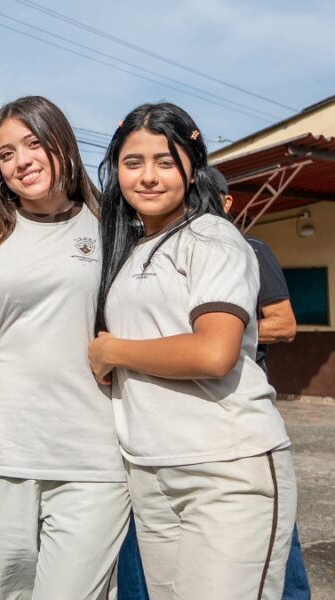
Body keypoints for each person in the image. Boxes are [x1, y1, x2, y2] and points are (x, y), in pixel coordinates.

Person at [89, 102, 296, 600]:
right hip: (152, 470)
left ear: (193, 165)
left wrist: (113, 350)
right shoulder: (129, 249)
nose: (149, 177)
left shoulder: (214, 237)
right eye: (133, 163)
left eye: (166, 160)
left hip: (227, 468)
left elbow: (213, 352)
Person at [0, 96, 128, 599]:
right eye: (6, 154)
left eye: (34, 143)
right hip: (6, 451)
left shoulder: (113, 228)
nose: (22, 162)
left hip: (93, 458)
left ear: (63, 144)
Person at [213, 167, 310, 600]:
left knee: (270, 524)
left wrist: (222, 335)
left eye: (207, 195)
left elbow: (285, 325)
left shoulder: (250, 249)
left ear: (227, 203)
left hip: (243, 404)